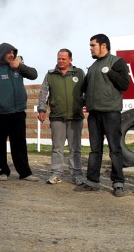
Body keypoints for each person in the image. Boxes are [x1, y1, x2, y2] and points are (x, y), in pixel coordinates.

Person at [75, 34, 129, 197]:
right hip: (94, 114)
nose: (90, 48)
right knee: (95, 150)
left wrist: (110, 73)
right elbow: (83, 89)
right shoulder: (92, 67)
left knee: (115, 149)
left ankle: (118, 183)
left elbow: (124, 84)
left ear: (103, 46)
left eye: (93, 45)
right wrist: (82, 99)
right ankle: (92, 181)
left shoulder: (117, 62)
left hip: (111, 113)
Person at [0, 43, 39, 181]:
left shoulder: (17, 67)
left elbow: (34, 75)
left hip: (18, 112)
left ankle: (25, 173)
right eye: (9, 53)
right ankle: (3, 171)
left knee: (19, 143)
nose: (12, 55)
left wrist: (20, 66)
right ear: (1, 53)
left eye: (13, 52)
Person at [37, 49, 86, 185]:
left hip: (75, 117)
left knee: (75, 148)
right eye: (59, 58)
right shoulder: (50, 75)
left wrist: (86, 103)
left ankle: (76, 174)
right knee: (57, 147)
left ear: (71, 60)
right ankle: (56, 173)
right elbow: (43, 93)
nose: (60, 61)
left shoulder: (79, 73)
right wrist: (41, 109)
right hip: (57, 117)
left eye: (63, 59)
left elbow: (86, 91)